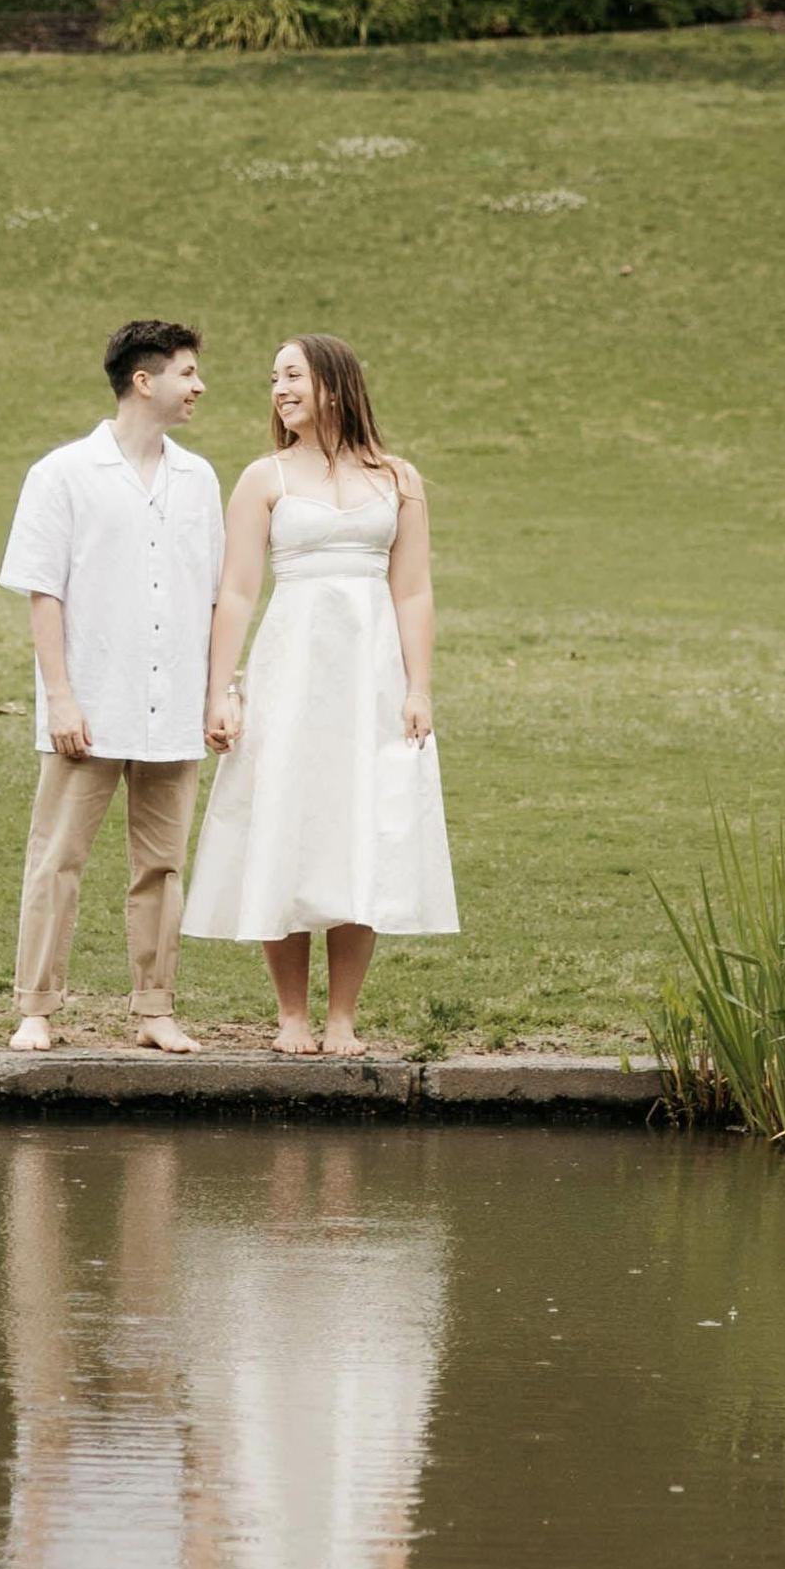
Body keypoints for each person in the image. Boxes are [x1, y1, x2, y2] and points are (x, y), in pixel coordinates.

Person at [183, 334, 458, 1053]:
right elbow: (236, 591)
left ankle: (342, 1016)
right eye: (274, 378)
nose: (279, 389)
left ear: (333, 385)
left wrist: (418, 687)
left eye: (293, 375)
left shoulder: (399, 480)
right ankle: (290, 1016)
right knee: (286, 820)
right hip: (291, 673)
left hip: (370, 679)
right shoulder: (263, 478)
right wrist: (222, 690)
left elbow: (413, 590)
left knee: (360, 826)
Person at [0, 319, 222, 1053]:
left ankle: (155, 1008)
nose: (199, 386)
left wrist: (220, 692)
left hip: (173, 706)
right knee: (57, 859)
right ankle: (36, 1006)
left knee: (162, 865)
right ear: (144, 381)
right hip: (90, 705)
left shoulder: (199, 480)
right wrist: (61, 698)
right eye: (187, 373)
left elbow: (213, 596)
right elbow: (43, 593)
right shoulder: (61, 473)